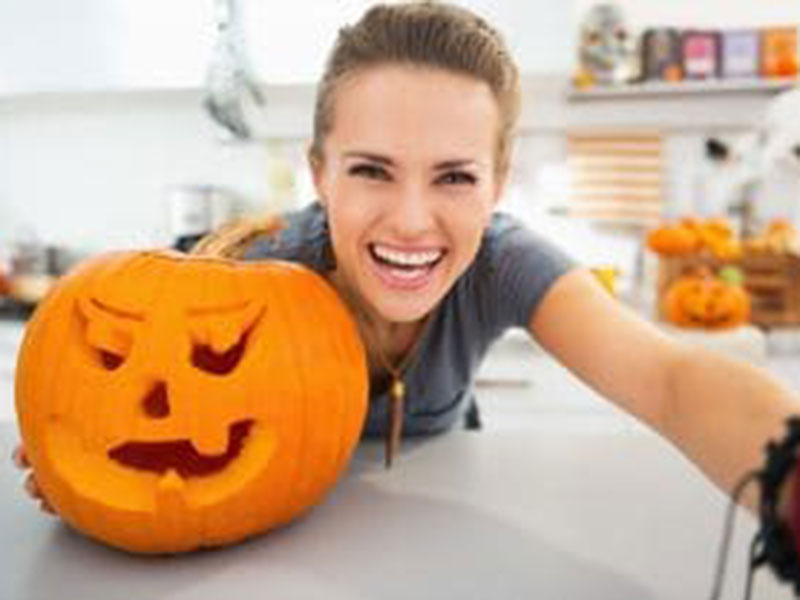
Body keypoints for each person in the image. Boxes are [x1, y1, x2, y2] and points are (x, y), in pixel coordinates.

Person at [13, 1, 800, 524]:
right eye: (371, 170)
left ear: (498, 184)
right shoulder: (264, 277)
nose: (413, 221)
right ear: (319, 174)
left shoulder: (502, 264)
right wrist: (98, 446)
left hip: (447, 524)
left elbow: (667, 379)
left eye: (455, 176)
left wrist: (792, 481)